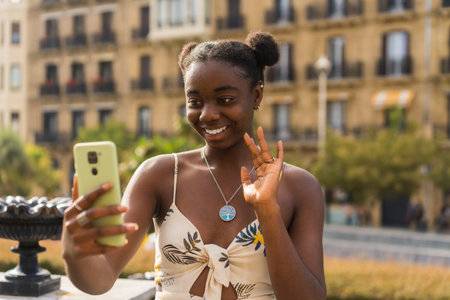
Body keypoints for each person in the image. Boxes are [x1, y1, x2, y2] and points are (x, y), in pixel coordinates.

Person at [62, 31, 326, 300]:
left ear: (256, 95)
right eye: (194, 102)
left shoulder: (299, 187)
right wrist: (74, 252)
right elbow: (100, 279)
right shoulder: (160, 176)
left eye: (225, 100)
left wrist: (268, 212)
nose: (207, 114)